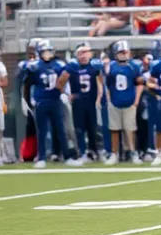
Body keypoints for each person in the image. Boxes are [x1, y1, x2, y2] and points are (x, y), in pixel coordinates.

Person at [23, 40, 80, 168]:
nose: (47, 54)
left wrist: (65, 93)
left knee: (61, 129)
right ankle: (41, 157)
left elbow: (64, 79)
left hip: (55, 100)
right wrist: (29, 100)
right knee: (42, 130)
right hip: (41, 101)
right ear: (39, 53)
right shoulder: (35, 66)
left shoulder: (59, 65)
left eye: (49, 51)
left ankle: (67, 156)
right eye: (44, 51)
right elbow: (27, 83)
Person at [57, 43, 103, 162]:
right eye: (80, 53)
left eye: (85, 52)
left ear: (90, 53)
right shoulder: (72, 66)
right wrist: (65, 94)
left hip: (91, 101)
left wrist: (99, 99)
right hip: (78, 101)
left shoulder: (95, 66)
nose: (83, 56)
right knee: (79, 129)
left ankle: (94, 151)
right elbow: (60, 82)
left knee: (93, 128)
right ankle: (82, 152)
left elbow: (100, 84)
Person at [104, 40, 145, 164]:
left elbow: (139, 84)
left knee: (130, 130)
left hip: (129, 102)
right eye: (121, 52)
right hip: (115, 102)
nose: (124, 55)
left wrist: (136, 101)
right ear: (116, 54)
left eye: (125, 52)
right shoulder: (111, 66)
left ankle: (133, 153)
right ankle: (114, 154)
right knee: (114, 129)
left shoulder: (134, 66)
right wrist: (109, 100)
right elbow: (108, 85)